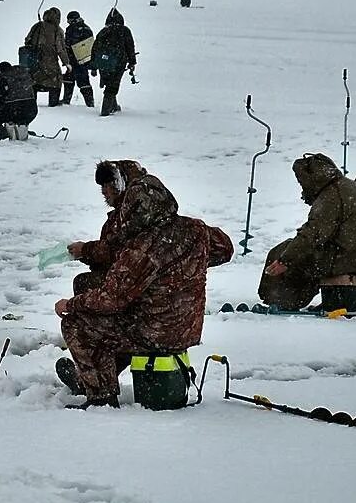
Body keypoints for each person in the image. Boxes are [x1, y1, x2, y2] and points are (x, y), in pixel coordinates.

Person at [55, 160, 233, 409]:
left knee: (76, 322)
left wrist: (70, 304)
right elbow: (225, 249)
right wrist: (184, 265)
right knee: (108, 300)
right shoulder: (195, 229)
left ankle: (101, 397)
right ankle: (94, 375)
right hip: (186, 328)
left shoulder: (142, 246)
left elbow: (111, 299)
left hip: (154, 333)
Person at [257, 152, 356, 311]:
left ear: (311, 178)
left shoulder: (331, 195)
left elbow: (312, 234)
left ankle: (280, 302)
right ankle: (296, 299)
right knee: (296, 251)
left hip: (350, 258)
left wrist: (284, 261)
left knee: (285, 252)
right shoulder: (346, 187)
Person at [91, 8, 137, 117]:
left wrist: (93, 66)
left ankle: (113, 106)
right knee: (113, 85)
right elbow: (130, 47)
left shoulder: (103, 31)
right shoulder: (125, 31)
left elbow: (94, 48)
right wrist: (132, 62)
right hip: (119, 63)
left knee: (109, 84)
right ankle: (105, 110)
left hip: (104, 63)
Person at [23, 7, 70, 107]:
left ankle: (32, 103)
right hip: (50, 62)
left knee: (34, 81)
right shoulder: (57, 30)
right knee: (55, 82)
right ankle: (53, 104)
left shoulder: (37, 26)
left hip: (34, 61)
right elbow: (60, 49)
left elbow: (27, 41)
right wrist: (66, 63)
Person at [0, 61, 38, 141]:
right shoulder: (25, 77)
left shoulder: (3, 79)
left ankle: (3, 134)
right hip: (31, 111)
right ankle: (20, 129)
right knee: (19, 119)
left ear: (1, 71)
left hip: (13, 111)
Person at [60, 10, 95, 107]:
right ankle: (90, 102)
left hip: (72, 60)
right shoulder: (87, 28)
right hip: (84, 59)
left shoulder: (71, 29)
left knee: (70, 79)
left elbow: (67, 44)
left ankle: (67, 100)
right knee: (82, 81)